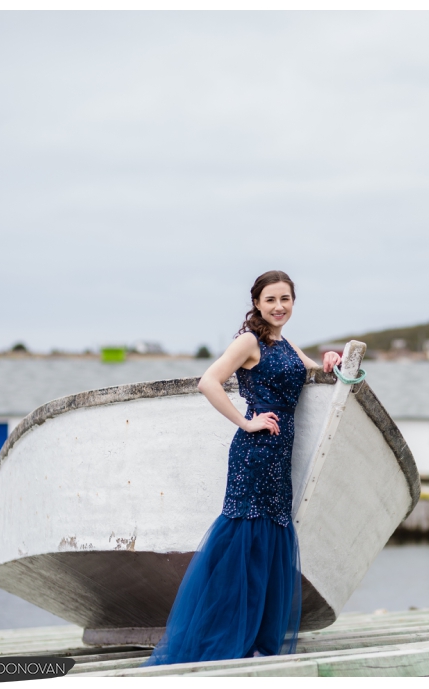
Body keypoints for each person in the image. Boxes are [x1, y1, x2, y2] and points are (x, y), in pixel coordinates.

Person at [143, 270, 341, 666]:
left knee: (268, 545)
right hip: (254, 454)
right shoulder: (249, 341)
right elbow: (209, 382)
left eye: (285, 299)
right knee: (243, 546)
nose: (279, 306)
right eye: (271, 300)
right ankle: (224, 639)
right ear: (256, 303)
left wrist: (331, 360)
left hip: (279, 458)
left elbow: (316, 373)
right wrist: (246, 421)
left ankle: (253, 638)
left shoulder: (284, 343)